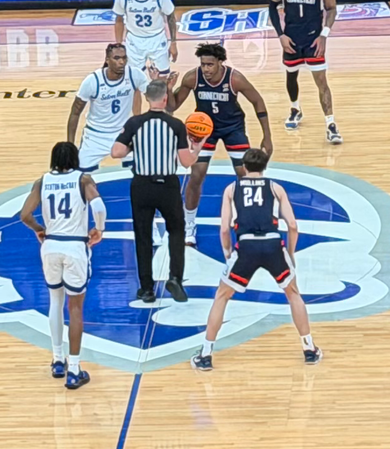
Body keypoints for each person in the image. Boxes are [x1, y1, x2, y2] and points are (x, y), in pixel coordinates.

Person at [194, 148, 317, 370]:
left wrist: (228, 252)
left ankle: (205, 354)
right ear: (264, 166)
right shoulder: (275, 187)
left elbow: (224, 228)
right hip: (272, 244)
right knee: (293, 294)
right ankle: (309, 349)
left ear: (244, 166)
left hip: (246, 246)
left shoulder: (232, 188)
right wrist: (290, 253)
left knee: (222, 296)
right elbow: (292, 225)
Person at [19, 141, 105, 392]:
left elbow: (24, 215)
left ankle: (58, 360)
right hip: (75, 247)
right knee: (75, 307)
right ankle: (75, 369)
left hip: (51, 246)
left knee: (55, 301)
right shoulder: (83, 180)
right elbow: (98, 206)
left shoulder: (42, 181)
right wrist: (99, 229)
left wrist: (39, 230)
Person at [109, 79, 192, 306]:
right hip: (168, 185)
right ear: (165, 98)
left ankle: (146, 289)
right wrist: (199, 146)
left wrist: (133, 145)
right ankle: (175, 278)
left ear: (147, 98)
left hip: (142, 186)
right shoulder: (176, 125)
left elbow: (116, 152)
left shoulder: (135, 123)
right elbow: (186, 162)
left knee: (143, 236)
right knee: (176, 231)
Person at [180, 41, 275, 215]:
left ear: (220, 62)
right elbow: (173, 105)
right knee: (196, 176)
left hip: (233, 128)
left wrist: (267, 137)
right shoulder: (192, 78)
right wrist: (167, 88)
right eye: (203, 65)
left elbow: (257, 101)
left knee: (245, 175)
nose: (206, 69)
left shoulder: (234, 78)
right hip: (205, 131)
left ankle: (248, 217)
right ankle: (188, 223)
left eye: (210, 65)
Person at [268, 0, 343, 144]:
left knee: (322, 82)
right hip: (291, 40)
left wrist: (324, 35)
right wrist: (280, 35)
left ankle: (331, 125)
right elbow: (272, 8)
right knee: (291, 76)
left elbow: (332, 9)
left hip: (313, 41)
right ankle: (295, 109)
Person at [66, 43, 147, 173]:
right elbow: (75, 113)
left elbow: (154, 98)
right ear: (107, 60)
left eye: (124, 58)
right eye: (116, 58)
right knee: (81, 174)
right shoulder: (92, 81)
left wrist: (161, 83)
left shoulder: (134, 75)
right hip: (95, 134)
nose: (121, 62)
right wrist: (70, 144)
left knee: (139, 171)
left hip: (123, 133)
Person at [113, 0, 177, 77]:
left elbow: (170, 17)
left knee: (162, 78)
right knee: (134, 79)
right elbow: (119, 21)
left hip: (157, 39)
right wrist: (119, 45)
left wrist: (173, 43)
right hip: (134, 40)